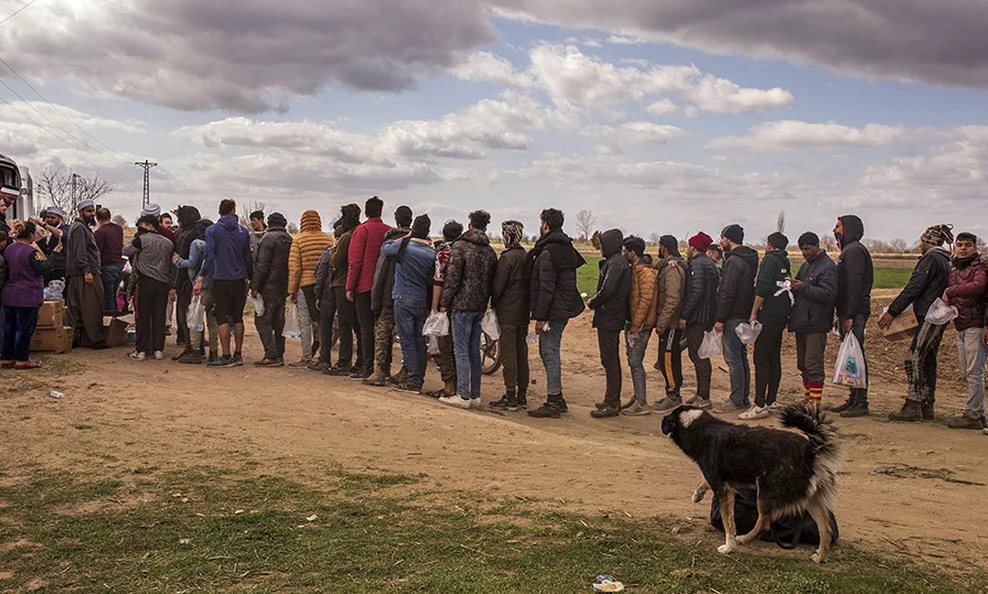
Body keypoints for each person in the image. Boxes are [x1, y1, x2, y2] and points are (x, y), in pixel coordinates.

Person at [882, 224, 953, 422]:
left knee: (913, 357)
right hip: (940, 315)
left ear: (929, 242)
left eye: (922, 241)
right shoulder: (946, 259)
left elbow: (914, 287)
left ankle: (913, 404)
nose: (919, 245)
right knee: (928, 359)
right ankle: (927, 405)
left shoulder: (931, 258)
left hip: (930, 314)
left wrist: (892, 311)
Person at [527, 209, 586, 419]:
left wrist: (540, 317)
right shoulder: (565, 247)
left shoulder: (547, 252)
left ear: (545, 225)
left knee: (549, 352)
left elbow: (546, 287)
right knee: (551, 350)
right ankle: (558, 398)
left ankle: (553, 401)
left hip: (553, 310)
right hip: (564, 307)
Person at [438, 210, 497, 409]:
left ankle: (463, 394)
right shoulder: (490, 251)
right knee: (473, 350)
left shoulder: (460, 246)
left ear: (470, 225)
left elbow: (453, 278)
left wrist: (445, 302)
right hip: (479, 306)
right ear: (486, 227)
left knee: (460, 350)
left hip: (461, 304)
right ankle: (475, 394)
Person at [380, 215, 436, 393]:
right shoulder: (430, 253)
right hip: (420, 298)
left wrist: (405, 237)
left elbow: (385, 248)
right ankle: (418, 378)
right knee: (419, 340)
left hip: (403, 296)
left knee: (407, 340)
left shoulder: (405, 248)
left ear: (413, 227)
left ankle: (412, 380)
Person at [826, 215, 874, 418]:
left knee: (856, 355)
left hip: (855, 312)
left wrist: (850, 314)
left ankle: (861, 401)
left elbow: (854, 285)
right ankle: (853, 398)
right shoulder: (848, 250)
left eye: (838, 226)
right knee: (851, 356)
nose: (834, 229)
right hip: (848, 310)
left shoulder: (853, 251)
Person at [741, 232, 792, 420]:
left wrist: (754, 311)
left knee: (761, 358)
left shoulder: (769, 259)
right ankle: (771, 401)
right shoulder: (784, 260)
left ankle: (760, 404)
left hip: (769, 314)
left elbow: (762, 287)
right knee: (774, 357)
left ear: (769, 245)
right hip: (781, 314)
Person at [196, 199, 253, 368]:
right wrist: (251, 278)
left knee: (221, 316)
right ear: (233, 211)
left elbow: (210, 255)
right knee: (237, 316)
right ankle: (238, 354)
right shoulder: (243, 231)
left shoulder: (212, 230)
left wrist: (201, 276)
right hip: (240, 278)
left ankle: (226, 354)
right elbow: (247, 258)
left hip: (221, 277)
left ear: (219, 211)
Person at [583, 229, 631, 419]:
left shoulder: (616, 264)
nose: (600, 249)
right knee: (608, 359)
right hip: (610, 316)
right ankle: (610, 398)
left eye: (603, 245)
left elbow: (607, 289)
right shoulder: (616, 262)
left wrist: (593, 302)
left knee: (610, 360)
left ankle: (612, 402)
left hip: (610, 316)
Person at [941, 233, 987, 430]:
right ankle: (976, 411)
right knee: (966, 370)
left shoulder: (980, 269)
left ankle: (974, 414)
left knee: (974, 371)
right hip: (961, 324)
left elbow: (978, 287)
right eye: (959, 245)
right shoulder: (955, 270)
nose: (963, 248)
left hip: (975, 325)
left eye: (967, 245)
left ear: (975, 248)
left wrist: (950, 293)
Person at [1, 220, 60, 369]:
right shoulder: (31, 252)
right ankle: (22, 359)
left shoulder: (8, 249)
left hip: (9, 294)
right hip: (27, 295)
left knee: (9, 327)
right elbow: (45, 268)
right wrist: (55, 254)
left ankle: (6, 358)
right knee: (24, 329)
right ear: (32, 235)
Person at [788, 232, 837, 409]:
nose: (804, 252)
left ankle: (815, 402)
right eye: (801, 249)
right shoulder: (806, 265)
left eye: (807, 249)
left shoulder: (827, 267)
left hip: (816, 323)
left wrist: (802, 287)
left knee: (813, 363)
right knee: (803, 364)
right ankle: (808, 397)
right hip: (802, 321)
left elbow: (829, 294)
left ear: (817, 246)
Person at [713, 224, 758, 413]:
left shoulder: (733, 262)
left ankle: (736, 399)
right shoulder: (749, 259)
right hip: (744, 313)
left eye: (722, 238)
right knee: (742, 357)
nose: (721, 242)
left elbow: (727, 291)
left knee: (733, 360)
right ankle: (743, 397)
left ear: (728, 239)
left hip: (732, 315)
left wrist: (720, 318)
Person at [346, 196, 392, 380]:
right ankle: (384, 366)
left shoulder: (362, 230)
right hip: (384, 287)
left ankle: (367, 366)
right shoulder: (389, 231)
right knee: (384, 328)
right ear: (381, 211)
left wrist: (350, 286)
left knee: (366, 328)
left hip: (365, 285)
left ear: (366, 212)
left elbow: (355, 261)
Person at [367, 205, 413, 386]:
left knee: (382, 335)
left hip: (389, 295)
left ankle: (380, 372)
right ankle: (406, 372)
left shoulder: (391, 243)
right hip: (411, 295)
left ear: (397, 220)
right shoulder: (422, 242)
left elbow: (381, 271)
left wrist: (375, 298)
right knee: (408, 337)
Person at [489, 220, 531, 411]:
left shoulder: (507, 259)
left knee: (509, 355)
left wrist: (493, 303)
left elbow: (498, 287)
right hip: (523, 312)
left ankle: (511, 396)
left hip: (508, 312)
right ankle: (522, 395)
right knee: (521, 353)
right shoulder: (526, 257)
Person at [123, 215, 175, 360]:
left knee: (142, 317)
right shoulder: (168, 243)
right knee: (159, 317)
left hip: (145, 283)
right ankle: (158, 349)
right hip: (163, 283)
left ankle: (141, 350)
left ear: (149, 226)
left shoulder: (141, 240)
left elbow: (126, 251)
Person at [287, 210, 334, 367]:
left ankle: (306, 356)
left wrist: (291, 290)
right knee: (323, 321)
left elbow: (294, 268)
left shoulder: (299, 241)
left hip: (305, 285)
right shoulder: (328, 239)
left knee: (305, 321)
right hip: (325, 286)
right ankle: (323, 355)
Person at [679, 232, 719, 409]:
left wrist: (684, 315)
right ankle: (700, 393)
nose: (687, 249)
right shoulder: (710, 264)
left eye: (688, 246)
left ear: (693, 247)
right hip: (707, 315)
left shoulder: (697, 265)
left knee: (699, 356)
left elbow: (696, 292)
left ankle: (704, 396)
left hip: (698, 317)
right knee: (697, 354)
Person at [321, 204, 363, 376]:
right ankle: (361, 361)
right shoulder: (361, 233)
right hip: (359, 284)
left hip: (342, 283)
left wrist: (332, 253)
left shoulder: (346, 237)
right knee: (358, 326)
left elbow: (336, 262)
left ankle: (344, 361)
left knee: (344, 325)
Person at [424, 220, 464, 398]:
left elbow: (438, 282)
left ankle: (449, 386)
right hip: (463, 306)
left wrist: (435, 309)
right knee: (458, 348)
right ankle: (460, 386)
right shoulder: (464, 251)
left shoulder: (443, 254)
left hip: (444, 305)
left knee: (441, 347)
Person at [617, 235, 656, 416]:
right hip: (632, 323)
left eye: (625, 251)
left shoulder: (646, 273)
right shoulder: (635, 270)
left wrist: (636, 325)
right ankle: (637, 396)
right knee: (632, 360)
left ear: (632, 253)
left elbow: (645, 301)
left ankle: (641, 402)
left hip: (640, 326)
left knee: (635, 361)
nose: (623, 253)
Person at [65, 200, 109, 349]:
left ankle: (79, 338)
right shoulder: (79, 228)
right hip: (85, 273)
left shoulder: (82, 227)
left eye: (93, 211)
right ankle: (95, 340)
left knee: (79, 306)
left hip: (83, 272)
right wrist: (87, 271)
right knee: (91, 306)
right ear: (81, 212)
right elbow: (81, 251)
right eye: (88, 211)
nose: (92, 214)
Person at [251, 212, 293, 367]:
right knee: (278, 320)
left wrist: (255, 285)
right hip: (283, 286)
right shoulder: (289, 239)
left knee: (262, 319)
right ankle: (279, 354)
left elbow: (262, 265)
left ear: (269, 223)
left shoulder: (268, 239)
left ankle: (271, 354)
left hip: (268, 286)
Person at [173, 217, 216, 364]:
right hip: (214, 285)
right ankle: (214, 353)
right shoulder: (215, 243)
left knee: (194, 318)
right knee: (212, 321)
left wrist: (177, 261)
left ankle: (196, 351)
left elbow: (192, 262)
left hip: (200, 284)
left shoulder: (197, 243)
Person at [653, 235, 687, 412]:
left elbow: (673, 298)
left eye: (659, 246)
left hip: (671, 324)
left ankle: (673, 394)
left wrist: (662, 323)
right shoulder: (668, 266)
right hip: (668, 323)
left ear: (664, 248)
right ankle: (671, 392)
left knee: (668, 359)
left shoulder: (673, 270)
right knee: (665, 358)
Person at [171, 206, 203, 359]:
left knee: (185, 315)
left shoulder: (185, 236)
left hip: (186, 282)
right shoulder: (203, 232)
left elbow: (179, 260)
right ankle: (200, 347)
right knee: (198, 315)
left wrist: (174, 285)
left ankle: (191, 348)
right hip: (203, 279)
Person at [93, 208, 125, 313]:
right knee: (113, 295)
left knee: (108, 296)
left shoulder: (100, 233)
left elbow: (97, 252)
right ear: (110, 216)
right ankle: (116, 319)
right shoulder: (118, 229)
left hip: (107, 267)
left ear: (97, 218)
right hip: (119, 266)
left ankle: (110, 321)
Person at [38, 207, 68, 285]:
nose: (49, 219)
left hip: (60, 267)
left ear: (60, 218)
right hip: (49, 266)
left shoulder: (66, 228)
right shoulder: (45, 231)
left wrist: (44, 225)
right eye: (48, 217)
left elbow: (59, 234)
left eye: (53, 218)